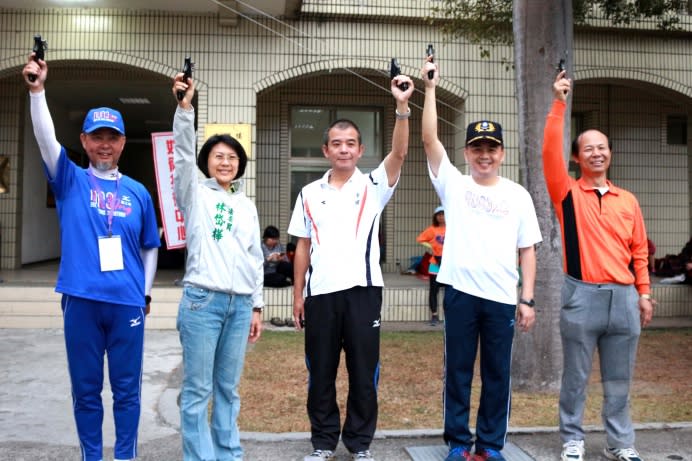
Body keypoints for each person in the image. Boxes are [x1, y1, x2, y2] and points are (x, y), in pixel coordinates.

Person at [23, 55, 160, 461]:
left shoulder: (138, 192)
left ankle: (125, 456)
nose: (105, 144)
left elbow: (149, 245)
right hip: (80, 301)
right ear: (83, 141)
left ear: (121, 142)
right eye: (96, 136)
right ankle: (91, 457)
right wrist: (37, 92)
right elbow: (46, 139)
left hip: (126, 305)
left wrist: (145, 294)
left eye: (112, 137)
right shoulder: (69, 180)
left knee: (127, 392)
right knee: (85, 391)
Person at [288, 71, 414, 461]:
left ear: (360, 150)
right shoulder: (309, 193)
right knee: (320, 373)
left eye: (351, 144)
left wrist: (402, 107)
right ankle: (324, 442)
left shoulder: (373, 185)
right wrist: (298, 296)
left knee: (363, 373)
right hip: (320, 295)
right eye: (336, 144)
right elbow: (303, 246)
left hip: (363, 292)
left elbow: (399, 153)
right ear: (326, 150)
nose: (344, 150)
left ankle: (359, 444)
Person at [421, 57, 542, 461]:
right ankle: (458, 442)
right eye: (477, 148)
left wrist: (527, 298)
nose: (484, 155)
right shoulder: (453, 185)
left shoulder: (517, 195)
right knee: (456, 372)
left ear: (502, 153)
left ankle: (490, 445)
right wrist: (432, 89)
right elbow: (429, 141)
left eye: (491, 148)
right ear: (467, 152)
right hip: (459, 293)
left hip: (501, 299)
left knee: (496, 375)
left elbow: (527, 249)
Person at [543, 71, 654, 461]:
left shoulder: (628, 200)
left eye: (602, 147)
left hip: (624, 298)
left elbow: (639, 250)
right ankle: (572, 439)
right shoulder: (568, 193)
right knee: (575, 378)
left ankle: (620, 443)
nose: (596, 153)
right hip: (582, 295)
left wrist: (643, 293)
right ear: (576, 157)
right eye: (587, 148)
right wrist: (559, 102)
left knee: (619, 380)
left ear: (610, 153)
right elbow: (547, 154)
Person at [172, 73, 264, 461]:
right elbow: (181, 154)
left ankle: (229, 454)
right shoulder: (194, 194)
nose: (225, 162)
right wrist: (184, 109)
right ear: (207, 163)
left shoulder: (246, 204)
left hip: (240, 306)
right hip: (202, 303)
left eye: (232, 158)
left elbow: (254, 257)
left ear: (239, 165)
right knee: (197, 390)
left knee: (228, 388)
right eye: (218, 156)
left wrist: (257, 305)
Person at [416, 205, 446, 325]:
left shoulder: (453, 228)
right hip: (435, 263)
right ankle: (434, 315)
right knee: (434, 289)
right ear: (435, 217)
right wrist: (432, 248)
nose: (441, 217)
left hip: (448, 263)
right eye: (439, 215)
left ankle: (450, 315)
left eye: (443, 214)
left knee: (451, 290)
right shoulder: (432, 229)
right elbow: (420, 239)